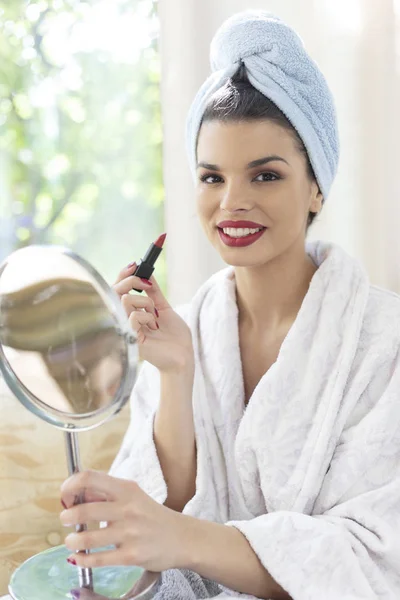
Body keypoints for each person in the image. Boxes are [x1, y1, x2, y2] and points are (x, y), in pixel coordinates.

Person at [59, 11, 400, 600]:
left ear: (316, 184)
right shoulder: (188, 331)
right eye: (211, 178)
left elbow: (373, 556)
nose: (232, 203)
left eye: (265, 176)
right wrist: (175, 372)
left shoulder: (384, 341)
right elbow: (155, 523)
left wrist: (181, 538)